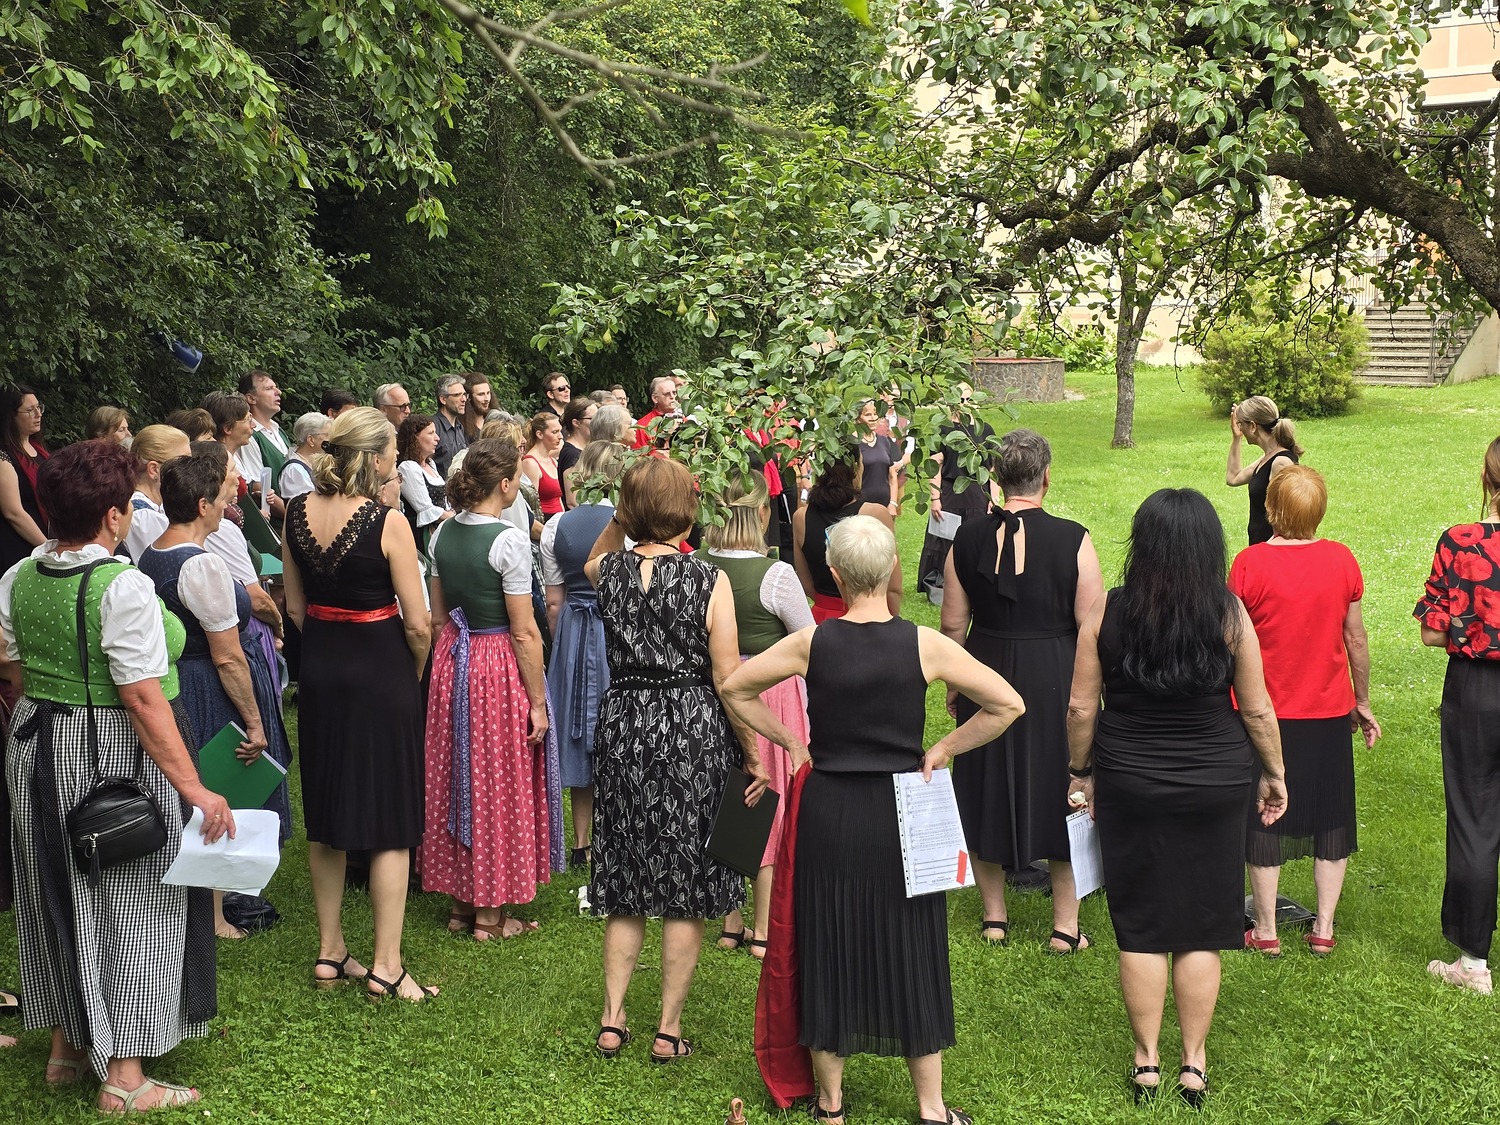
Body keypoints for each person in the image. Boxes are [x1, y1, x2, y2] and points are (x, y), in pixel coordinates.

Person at [723, 515, 1025, 1125]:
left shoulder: (813, 643)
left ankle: (831, 1105)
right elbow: (1008, 703)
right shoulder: (924, 644)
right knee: (914, 947)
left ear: (834, 574)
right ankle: (931, 1108)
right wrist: (943, 749)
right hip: (899, 814)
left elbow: (735, 687)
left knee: (828, 943)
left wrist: (792, 742)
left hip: (830, 812)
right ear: (891, 571)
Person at [1, 440, 234, 1113]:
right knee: (131, 902)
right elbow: (140, 696)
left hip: (37, 746)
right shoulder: (120, 585)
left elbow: (10, 665)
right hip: (110, 756)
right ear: (112, 516)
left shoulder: (19, 575)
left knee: (54, 887)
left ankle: (67, 1048)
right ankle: (126, 1078)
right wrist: (195, 789)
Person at [1066, 488, 1287, 1106]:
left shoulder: (1108, 611)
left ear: (1143, 543)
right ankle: (1194, 1062)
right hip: (1215, 780)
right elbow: (1258, 710)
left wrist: (1080, 772)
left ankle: (1146, 1062)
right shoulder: (1228, 612)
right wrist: (1275, 772)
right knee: (1202, 925)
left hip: (1129, 778)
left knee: (1140, 925)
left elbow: (1081, 706)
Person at [584, 457, 767, 1063]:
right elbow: (727, 678)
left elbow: (597, 555)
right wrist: (753, 753)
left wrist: (624, 515)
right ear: (688, 510)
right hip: (690, 727)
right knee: (685, 881)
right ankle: (667, 1029)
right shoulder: (708, 580)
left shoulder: (607, 572)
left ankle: (613, 1019)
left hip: (625, 724)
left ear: (629, 509)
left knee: (625, 872)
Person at [282, 406, 436, 1002]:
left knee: (326, 810)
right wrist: (412, 670)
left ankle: (330, 950)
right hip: (380, 670)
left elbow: (295, 607)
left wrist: (326, 645)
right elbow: (418, 623)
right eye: (392, 450)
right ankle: (386, 964)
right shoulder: (388, 521)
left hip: (322, 667)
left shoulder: (295, 511)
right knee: (391, 817)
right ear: (373, 457)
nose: (397, 459)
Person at [941, 428, 1103, 950]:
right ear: (1046, 477)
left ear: (995, 477)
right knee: (1063, 781)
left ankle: (995, 918)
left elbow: (952, 624)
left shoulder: (965, 538)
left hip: (985, 667)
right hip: (1056, 671)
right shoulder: (1074, 539)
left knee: (984, 780)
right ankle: (1065, 925)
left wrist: (957, 683)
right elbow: (1091, 625)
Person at [138, 448, 293, 937]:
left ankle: (212, 902)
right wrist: (255, 722)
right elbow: (227, 655)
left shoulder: (154, 551)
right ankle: (217, 911)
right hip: (206, 683)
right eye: (221, 495)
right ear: (202, 506)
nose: (230, 500)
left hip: (180, 680)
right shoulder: (199, 565)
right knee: (224, 787)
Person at [1233, 465, 1378, 958]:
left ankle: (1266, 930)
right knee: (1332, 816)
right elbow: (1355, 638)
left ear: (1271, 508)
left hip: (1264, 713)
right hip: (1328, 710)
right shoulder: (1341, 560)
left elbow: (1233, 643)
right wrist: (1362, 701)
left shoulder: (1249, 564)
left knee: (1264, 815)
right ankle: (1324, 929)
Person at [421, 439, 557, 940]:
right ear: (503, 485)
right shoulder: (508, 540)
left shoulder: (441, 534)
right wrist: (538, 702)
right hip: (495, 663)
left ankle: (462, 902)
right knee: (497, 779)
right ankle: (491, 915)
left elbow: (438, 618)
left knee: (458, 771)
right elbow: (523, 631)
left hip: (453, 658)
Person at [703, 472, 814, 958]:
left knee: (730, 795)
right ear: (762, 513)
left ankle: (731, 922)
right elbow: (808, 638)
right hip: (769, 692)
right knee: (769, 802)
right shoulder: (776, 574)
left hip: (715, 689)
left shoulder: (698, 565)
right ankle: (765, 927)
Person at [1414, 435, 1500, 993]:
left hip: (1477, 690)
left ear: (1487, 480)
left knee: (1475, 817)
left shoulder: (1461, 542)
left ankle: (1472, 965)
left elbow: (1431, 632)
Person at [542, 439, 627, 867]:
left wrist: (560, 645)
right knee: (618, 727)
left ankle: (581, 843)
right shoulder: (628, 523)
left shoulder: (558, 525)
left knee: (579, 733)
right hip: (616, 631)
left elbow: (553, 602)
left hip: (574, 630)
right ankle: (616, 836)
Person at [793, 450, 899, 622]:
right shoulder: (875, 514)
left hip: (823, 618)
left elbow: (806, 583)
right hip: (870, 619)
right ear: (856, 469)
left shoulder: (800, 517)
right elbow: (893, 587)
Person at [917, 385, 999, 591]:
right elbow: (935, 466)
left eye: (968, 399)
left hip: (978, 493)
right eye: (960, 400)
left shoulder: (985, 430)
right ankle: (940, 584)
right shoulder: (942, 430)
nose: (964, 404)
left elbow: (992, 469)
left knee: (977, 538)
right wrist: (935, 498)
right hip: (950, 492)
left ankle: (976, 582)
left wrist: (994, 499)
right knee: (944, 540)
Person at [1225, 394, 1302, 545]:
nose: (1240, 428)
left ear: (1253, 426)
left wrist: (1268, 551)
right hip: (1260, 547)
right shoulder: (1267, 458)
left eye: (1241, 424)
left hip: (1272, 551)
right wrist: (1236, 438)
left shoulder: (1280, 463)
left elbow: (1285, 520)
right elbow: (1233, 478)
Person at [121, 425, 191, 563]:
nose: (191, 471)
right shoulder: (143, 517)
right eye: (183, 464)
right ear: (154, 469)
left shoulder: (157, 507)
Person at [0, 384, 50, 577]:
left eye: (39, 407)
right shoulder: (4, 456)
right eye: (30, 410)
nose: (38, 414)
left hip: (47, 538)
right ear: (11, 416)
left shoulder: (40, 450)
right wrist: (48, 547)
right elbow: (13, 512)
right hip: (21, 547)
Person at [235, 370, 289, 518]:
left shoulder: (278, 430)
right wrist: (294, 517)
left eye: (276, 387)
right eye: (269, 388)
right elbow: (258, 487)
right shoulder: (249, 436)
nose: (278, 392)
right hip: (276, 523)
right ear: (251, 398)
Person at [397, 413, 452, 556]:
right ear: (414, 437)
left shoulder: (430, 464)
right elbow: (425, 508)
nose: (437, 438)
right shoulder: (408, 467)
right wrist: (454, 518)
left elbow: (444, 501)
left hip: (441, 531)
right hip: (423, 537)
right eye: (431, 433)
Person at [855, 399, 903, 515]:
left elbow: (892, 476)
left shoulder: (884, 441)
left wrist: (892, 503)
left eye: (875, 414)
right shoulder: (852, 443)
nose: (873, 418)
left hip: (884, 507)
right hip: (860, 508)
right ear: (857, 418)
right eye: (868, 415)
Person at [521, 412, 566, 521]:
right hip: (544, 521)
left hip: (558, 519)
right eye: (555, 432)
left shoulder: (553, 461)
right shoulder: (530, 463)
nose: (560, 436)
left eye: (560, 431)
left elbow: (558, 498)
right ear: (540, 434)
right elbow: (532, 503)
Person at [279, 412, 332, 502]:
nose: (330, 439)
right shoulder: (294, 470)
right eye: (327, 435)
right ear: (311, 439)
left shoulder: (311, 463)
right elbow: (308, 505)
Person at [432, 375, 470, 478]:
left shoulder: (460, 427)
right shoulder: (433, 427)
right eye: (457, 395)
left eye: (464, 394)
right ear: (443, 399)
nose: (464, 399)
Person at [558, 396, 598, 491]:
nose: (597, 422)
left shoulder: (587, 449)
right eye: (593, 418)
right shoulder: (571, 454)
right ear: (576, 423)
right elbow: (573, 497)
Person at [631, 377, 681, 450]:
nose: (672, 397)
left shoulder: (683, 420)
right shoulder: (642, 427)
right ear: (655, 398)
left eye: (674, 393)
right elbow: (639, 456)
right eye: (667, 394)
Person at [463, 373, 494, 440]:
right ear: (469, 397)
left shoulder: (496, 419)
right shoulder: (461, 426)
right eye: (481, 394)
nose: (487, 399)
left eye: (488, 393)